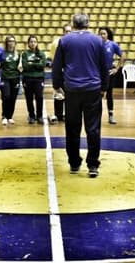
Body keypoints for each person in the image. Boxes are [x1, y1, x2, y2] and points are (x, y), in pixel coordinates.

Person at [52, 13, 108, 178]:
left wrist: (57, 86)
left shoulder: (65, 40)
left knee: (72, 128)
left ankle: (74, 163)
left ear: (73, 24)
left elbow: (56, 66)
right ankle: (92, 165)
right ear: (88, 24)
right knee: (93, 129)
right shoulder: (98, 40)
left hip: (72, 90)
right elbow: (104, 66)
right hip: (93, 89)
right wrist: (104, 87)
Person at [98, 27, 125, 125]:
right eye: (100, 34)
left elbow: (122, 56)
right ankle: (97, 116)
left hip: (109, 73)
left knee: (109, 94)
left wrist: (117, 68)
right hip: (99, 74)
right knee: (98, 95)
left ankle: (111, 115)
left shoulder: (113, 44)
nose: (102, 36)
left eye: (104, 34)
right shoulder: (97, 45)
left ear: (107, 34)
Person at [48, 24, 72, 124]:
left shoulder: (74, 43)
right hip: (59, 73)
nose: (68, 33)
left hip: (70, 74)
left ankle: (69, 115)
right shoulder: (56, 43)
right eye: (66, 31)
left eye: (70, 31)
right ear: (63, 32)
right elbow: (53, 59)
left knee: (70, 95)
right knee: (59, 94)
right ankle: (58, 115)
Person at [21, 35, 46, 124]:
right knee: (29, 98)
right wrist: (36, 63)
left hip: (39, 79)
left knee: (39, 97)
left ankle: (39, 116)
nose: (33, 43)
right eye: (31, 41)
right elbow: (25, 66)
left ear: (37, 43)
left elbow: (42, 65)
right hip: (27, 78)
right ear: (28, 43)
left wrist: (31, 63)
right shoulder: (25, 54)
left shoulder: (41, 53)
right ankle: (31, 115)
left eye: (34, 41)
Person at [1, 34, 21, 125]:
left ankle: (10, 116)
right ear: (6, 43)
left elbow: (20, 67)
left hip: (15, 78)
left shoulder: (18, 54)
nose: (11, 43)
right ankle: (4, 116)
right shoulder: (3, 53)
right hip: (5, 77)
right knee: (6, 96)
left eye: (13, 41)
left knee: (13, 98)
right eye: (9, 41)